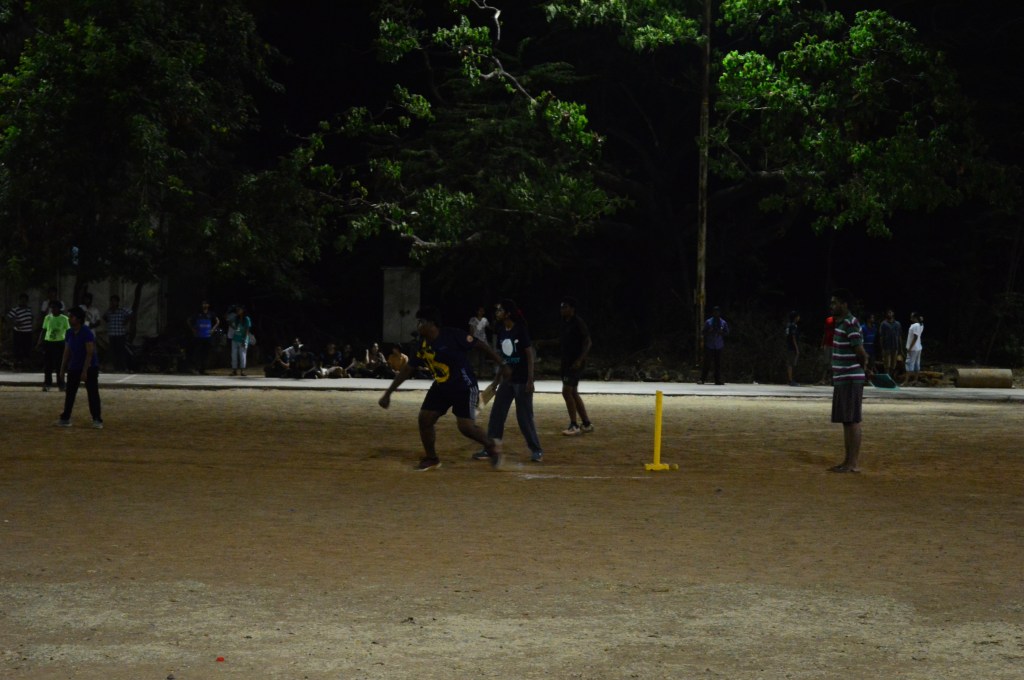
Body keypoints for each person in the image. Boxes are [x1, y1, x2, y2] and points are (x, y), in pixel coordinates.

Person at [378, 305, 509, 471]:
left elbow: (480, 345)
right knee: (424, 419)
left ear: (431, 323)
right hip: (441, 386)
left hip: (464, 386)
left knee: (465, 427)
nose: (418, 325)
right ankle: (432, 458)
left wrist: (502, 364)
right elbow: (407, 370)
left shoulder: (453, 335)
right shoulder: (421, 346)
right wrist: (388, 393)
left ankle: (492, 446)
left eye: (421, 322)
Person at [474, 299, 544, 463]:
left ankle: (537, 450)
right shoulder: (501, 330)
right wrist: (496, 381)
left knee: (524, 418)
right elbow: (503, 359)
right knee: (497, 415)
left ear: (508, 313)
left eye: (500, 310)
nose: (497, 313)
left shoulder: (520, 329)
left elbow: (529, 354)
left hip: (521, 381)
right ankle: (490, 448)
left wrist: (530, 380)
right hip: (507, 380)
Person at [828, 289, 870, 473]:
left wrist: (863, 368)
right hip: (843, 378)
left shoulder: (850, 323)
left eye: (835, 303)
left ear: (844, 304)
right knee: (847, 420)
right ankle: (847, 461)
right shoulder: (840, 323)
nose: (832, 306)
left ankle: (852, 463)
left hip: (850, 377)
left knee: (852, 419)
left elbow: (860, 351)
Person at [56, 306, 103, 429]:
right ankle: (65, 417)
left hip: (90, 367)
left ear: (79, 319)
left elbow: (90, 352)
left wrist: (85, 371)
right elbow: (67, 352)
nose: (69, 319)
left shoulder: (86, 332)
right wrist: (62, 369)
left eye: (71, 316)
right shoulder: (69, 332)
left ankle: (97, 418)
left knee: (92, 393)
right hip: (74, 367)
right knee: (70, 393)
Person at [558, 296, 593, 436]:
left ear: (572, 309)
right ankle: (586, 423)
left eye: (565, 307)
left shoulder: (578, 322)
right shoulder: (564, 323)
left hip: (575, 363)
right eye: (561, 307)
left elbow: (588, 342)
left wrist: (580, 360)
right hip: (566, 362)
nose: (562, 309)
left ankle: (574, 425)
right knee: (573, 392)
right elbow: (561, 340)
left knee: (566, 391)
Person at [38, 301, 69, 391]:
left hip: (60, 343)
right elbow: (44, 330)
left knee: (60, 365)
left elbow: (68, 331)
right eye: (52, 308)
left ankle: (61, 384)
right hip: (49, 343)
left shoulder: (64, 319)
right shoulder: (47, 318)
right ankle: (47, 384)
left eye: (55, 308)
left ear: (59, 309)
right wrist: (40, 341)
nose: (53, 309)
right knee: (48, 366)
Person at [187, 300, 220, 375]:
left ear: (208, 305)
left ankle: (203, 369)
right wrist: (193, 330)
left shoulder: (211, 314)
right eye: (203, 304)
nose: (204, 305)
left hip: (207, 337)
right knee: (198, 353)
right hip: (199, 336)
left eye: (206, 304)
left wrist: (212, 330)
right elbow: (188, 320)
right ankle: (196, 368)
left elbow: (217, 321)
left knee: (206, 353)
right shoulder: (198, 314)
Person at [699, 305, 729, 385]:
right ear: (713, 313)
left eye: (718, 312)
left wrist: (721, 332)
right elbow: (703, 332)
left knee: (718, 364)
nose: (716, 313)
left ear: (719, 313)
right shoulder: (708, 322)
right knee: (707, 363)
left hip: (719, 345)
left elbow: (727, 333)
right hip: (710, 345)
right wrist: (709, 331)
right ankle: (702, 379)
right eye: (715, 312)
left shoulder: (723, 322)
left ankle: (718, 380)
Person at [103, 295, 133, 372]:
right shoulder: (109, 311)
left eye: (114, 301)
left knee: (121, 351)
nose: (113, 303)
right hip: (112, 334)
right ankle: (116, 367)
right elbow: (104, 317)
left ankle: (124, 367)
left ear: (117, 302)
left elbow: (131, 314)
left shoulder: (122, 311)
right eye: (112, 301)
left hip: (120, 334)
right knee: (113, 352)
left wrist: (126, 321)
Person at [5, 293, 34, 366]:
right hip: (19, 332)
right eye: (22, 300)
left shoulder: (29, 309)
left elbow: (31, 318)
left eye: (25, 300)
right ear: (19, 300)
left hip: (28, 331)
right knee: (18, 348)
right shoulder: (15, 309)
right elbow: (8, 318)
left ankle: (26, 362)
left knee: (27, 347)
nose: (23, 302)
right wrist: (14, 323)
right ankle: (18, 362)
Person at [228, 305, 252, 376]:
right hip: (235, 338)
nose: (238, 311)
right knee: (234, 355)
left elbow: (247, 330)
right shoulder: (236, 318)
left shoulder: (247, 319)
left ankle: (242, 371)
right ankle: (234, 370)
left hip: (243, 339)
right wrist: (230, 323)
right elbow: (234, 327)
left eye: (239, 310)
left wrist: (244, 340)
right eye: (237, 310)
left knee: (242, 355)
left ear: (243, 311)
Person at [878, 308, 903, 377]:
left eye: (891, 312)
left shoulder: (897, 324)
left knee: (893, 364)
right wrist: (882, 348)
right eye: (888, 312)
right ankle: (887, 377)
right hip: (886, 347)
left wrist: (900, 349)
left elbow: (899, 336)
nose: (890, 314)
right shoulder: (883, 324)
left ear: (893, 313)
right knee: (887, 364)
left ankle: (891, 377)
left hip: (895, 346)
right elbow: (881, 336)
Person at [904, 312, 924, 386]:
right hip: (918, 347)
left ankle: (906, 381)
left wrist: (910, 348)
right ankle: (915, 380)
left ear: (915, 317)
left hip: (914, 348)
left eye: (912, 316)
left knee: (909, 363)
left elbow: (915, 337)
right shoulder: (920, 325)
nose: (911, 318)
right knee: (916, 364)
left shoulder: (915, 325)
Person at [468, 305, 490, 374]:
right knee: (475, 357)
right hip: (475, 340)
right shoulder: (473, 319)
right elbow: (471, 330)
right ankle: (475, 373)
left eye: (482, 311)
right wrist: (471, 339)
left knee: (482, 357)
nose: (481, 312)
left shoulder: (485, 320)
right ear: (477, 312)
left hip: (483, 340)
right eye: (480, 311)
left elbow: (489, 328)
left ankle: (482, 373)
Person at [784, 310, 800, 386]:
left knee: (789, 363)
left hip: (788, 346)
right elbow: (793, 337)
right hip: (792, 347)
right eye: (798, 316)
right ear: (795, 317)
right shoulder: (793, 326)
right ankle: (790, 380)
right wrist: (797, 349)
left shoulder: (788, 325)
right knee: (791, 364)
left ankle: (790, 379)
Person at [819, 313, 835, 385]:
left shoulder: (840, 320)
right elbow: (825, 332)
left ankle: (832, 380)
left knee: (833, 363)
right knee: (826, 362)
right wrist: (822, 344)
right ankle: (823, 379)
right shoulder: (828, 320)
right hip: (827, 344)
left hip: (835, 344)